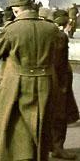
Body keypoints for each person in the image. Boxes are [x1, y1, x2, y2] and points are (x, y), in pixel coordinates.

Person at [0, 0, 61, 161]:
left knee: (12, 125)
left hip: (17, 83)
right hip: (45, 82)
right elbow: (59, 48)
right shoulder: (50, 28)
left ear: (15, 9)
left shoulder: (12, 29)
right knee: (40, 125)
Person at [48, 9, 79, 159]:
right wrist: (63, 85)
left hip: (48, 80)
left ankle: (49, 146)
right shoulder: (60, 37)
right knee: (60, 115)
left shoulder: (48, 34)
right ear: (66, 23)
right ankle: (58, 147)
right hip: (60, 83)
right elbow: (60, 63)